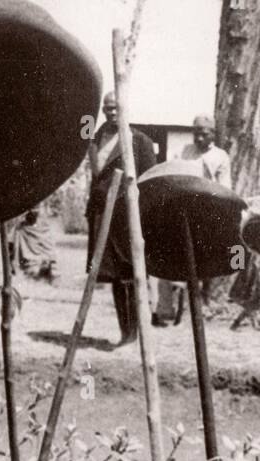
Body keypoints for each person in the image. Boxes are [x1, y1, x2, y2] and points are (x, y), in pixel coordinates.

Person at [87, 91, 157, 346]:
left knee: (129, 272)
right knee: (114, 276)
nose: (111, 113)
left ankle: (134, 333)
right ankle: (124, 331)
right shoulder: (96, 138)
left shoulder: (139, 142)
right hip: (102, 215)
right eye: (107, 109)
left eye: (116, 108)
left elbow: (150, 183)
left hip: (126, 217)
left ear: (125, 109)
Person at [153, 115, 232, 327]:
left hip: (206, 213)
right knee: (166, 259)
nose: (199, 138)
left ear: (212, 134)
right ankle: (164, 310)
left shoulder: (220, 156)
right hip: (181, 211)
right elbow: (172, 172)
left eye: (204, 134)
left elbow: (225, 190)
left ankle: (193, 308)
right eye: (196, 133)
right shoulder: (185, 151)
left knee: (197, 263)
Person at [8, 205, 57, 283]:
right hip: (29, 263)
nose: (33, 215)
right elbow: (10, 245)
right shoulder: (20, 229)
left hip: (43, 260)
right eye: (31, 213)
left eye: (35, 212)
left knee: (47, 269)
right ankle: (40, 270)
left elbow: (50, 249)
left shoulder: (44, 229)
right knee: (34, 269)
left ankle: (44, 269)